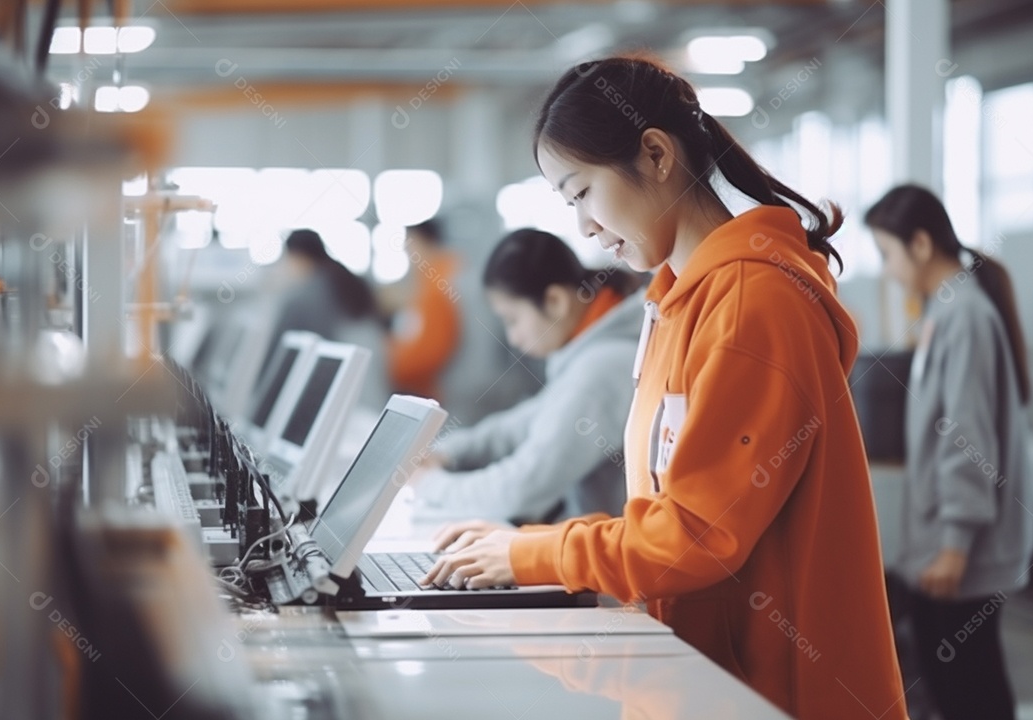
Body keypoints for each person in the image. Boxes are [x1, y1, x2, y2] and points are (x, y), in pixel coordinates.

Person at [422, 55, 908, 720]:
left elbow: (694, 536)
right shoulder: (676, 305)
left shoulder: (754, 304)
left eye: (582, 193)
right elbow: (671, 514)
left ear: (654, 154)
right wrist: (525, 546)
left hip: (778, 692)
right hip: (704, 678)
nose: (584, 228)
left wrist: (532, 552)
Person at [866, 184, 1033, 720]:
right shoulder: (949, 310)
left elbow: (967, 436)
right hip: (946, 543)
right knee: (954, 683)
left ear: (919, 244)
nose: (888, 271)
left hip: (960, 550)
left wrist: (954, 543)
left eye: (887, 254)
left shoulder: (964, 315)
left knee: (971, 689)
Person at [413, 228, 643, 525]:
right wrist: (447, 454)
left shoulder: (601, 368)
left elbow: (521, 488)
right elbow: (518, 426)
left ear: (555, 302)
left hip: (595, 562)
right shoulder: (589, 353)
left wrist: (428, 485)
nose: (514, 337)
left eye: (513, 319)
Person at [265, 228, 389, 411]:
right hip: (372, 392)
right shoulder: (349, 280)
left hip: (340, 395)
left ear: (298, 257)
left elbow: (280, 361)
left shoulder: (304, 296)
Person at [386, 219, 462, 401]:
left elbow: (428, 350)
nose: (409, 256)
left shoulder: (437, 285)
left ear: (421, 242)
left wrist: (388, 366)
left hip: (441, 390)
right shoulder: (449, 273)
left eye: (409, 248)